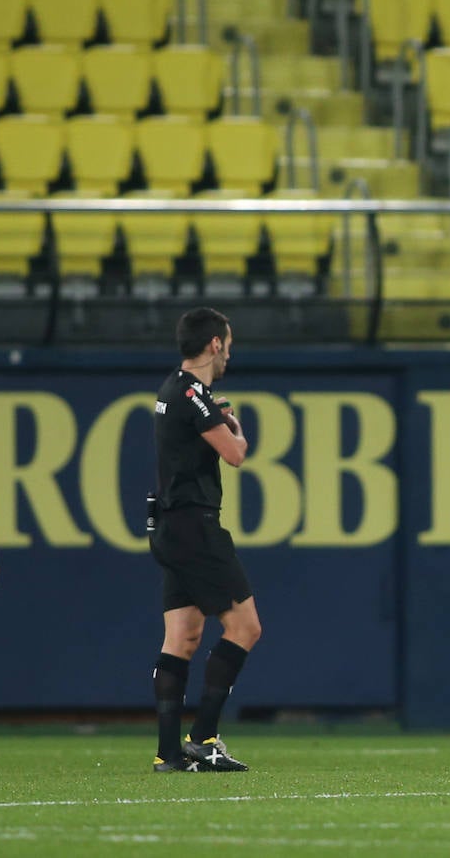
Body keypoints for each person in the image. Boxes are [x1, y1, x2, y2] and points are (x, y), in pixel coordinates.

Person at [148, 308, 260, 773]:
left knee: (183, 636)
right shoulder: (194, 393)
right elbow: (235, 455)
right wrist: (234, 427)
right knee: (245, 627)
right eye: (227, 343)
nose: (229, 352)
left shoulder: (173, 388)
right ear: (215, 343)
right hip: (194, 525)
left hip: (169, 527)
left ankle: (169, 752)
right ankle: (204, 737)